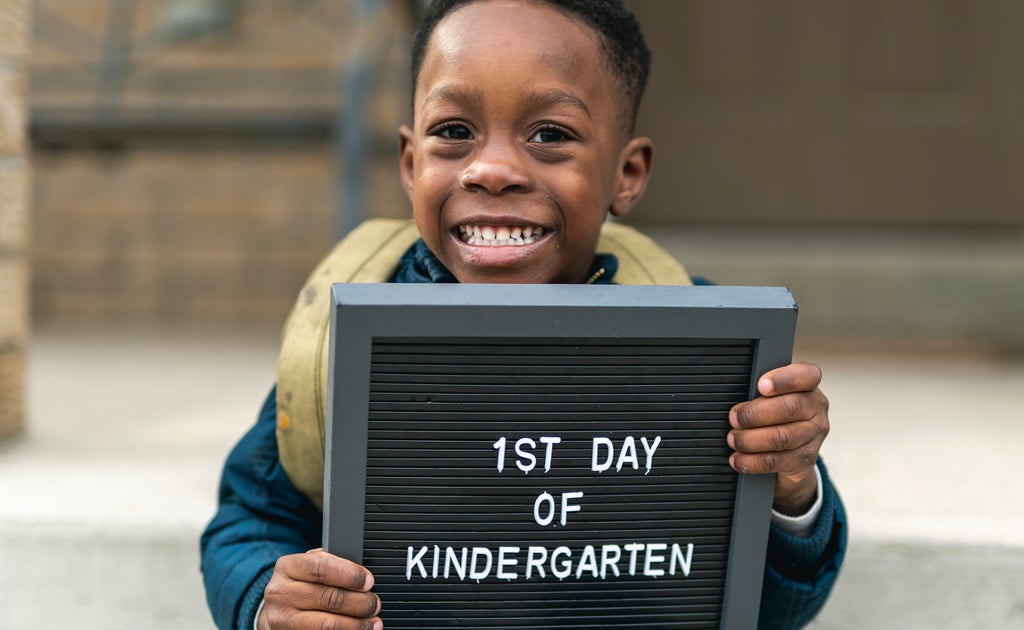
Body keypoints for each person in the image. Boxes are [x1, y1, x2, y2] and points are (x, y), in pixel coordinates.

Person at [201, 1, 847, 629]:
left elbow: (764, 606)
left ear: (627, 173)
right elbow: (253, 519)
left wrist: (792, 491)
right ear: (410, 162)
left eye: (550, 135)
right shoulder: (341, 350)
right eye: (454, 132)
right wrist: (269, 598)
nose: (493, 170)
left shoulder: (701, 352)